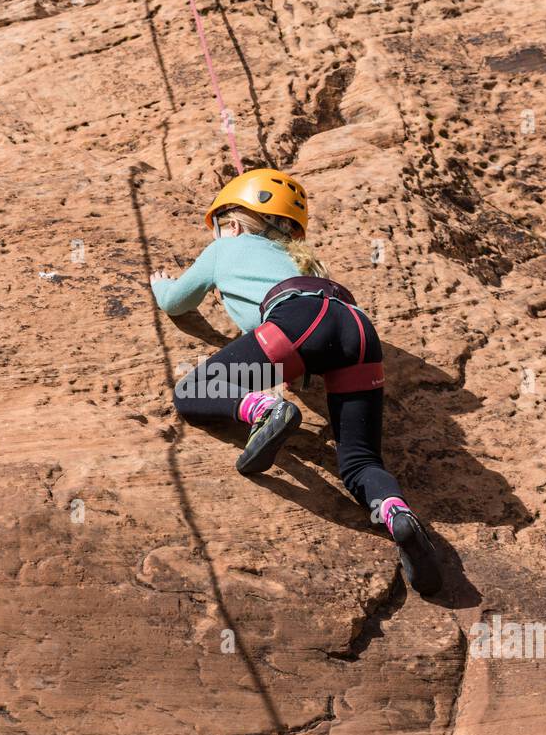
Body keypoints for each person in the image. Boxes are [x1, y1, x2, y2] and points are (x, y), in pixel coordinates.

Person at [149, 168, 442, 596]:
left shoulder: (225, 248)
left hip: (298, 321)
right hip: (357, 328)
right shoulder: (306, 262)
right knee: (361, 463)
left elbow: (179, 303)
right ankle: (397, 512)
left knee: (195, 392)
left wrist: (161, 288)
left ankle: (262, 409)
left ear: (231, 225)